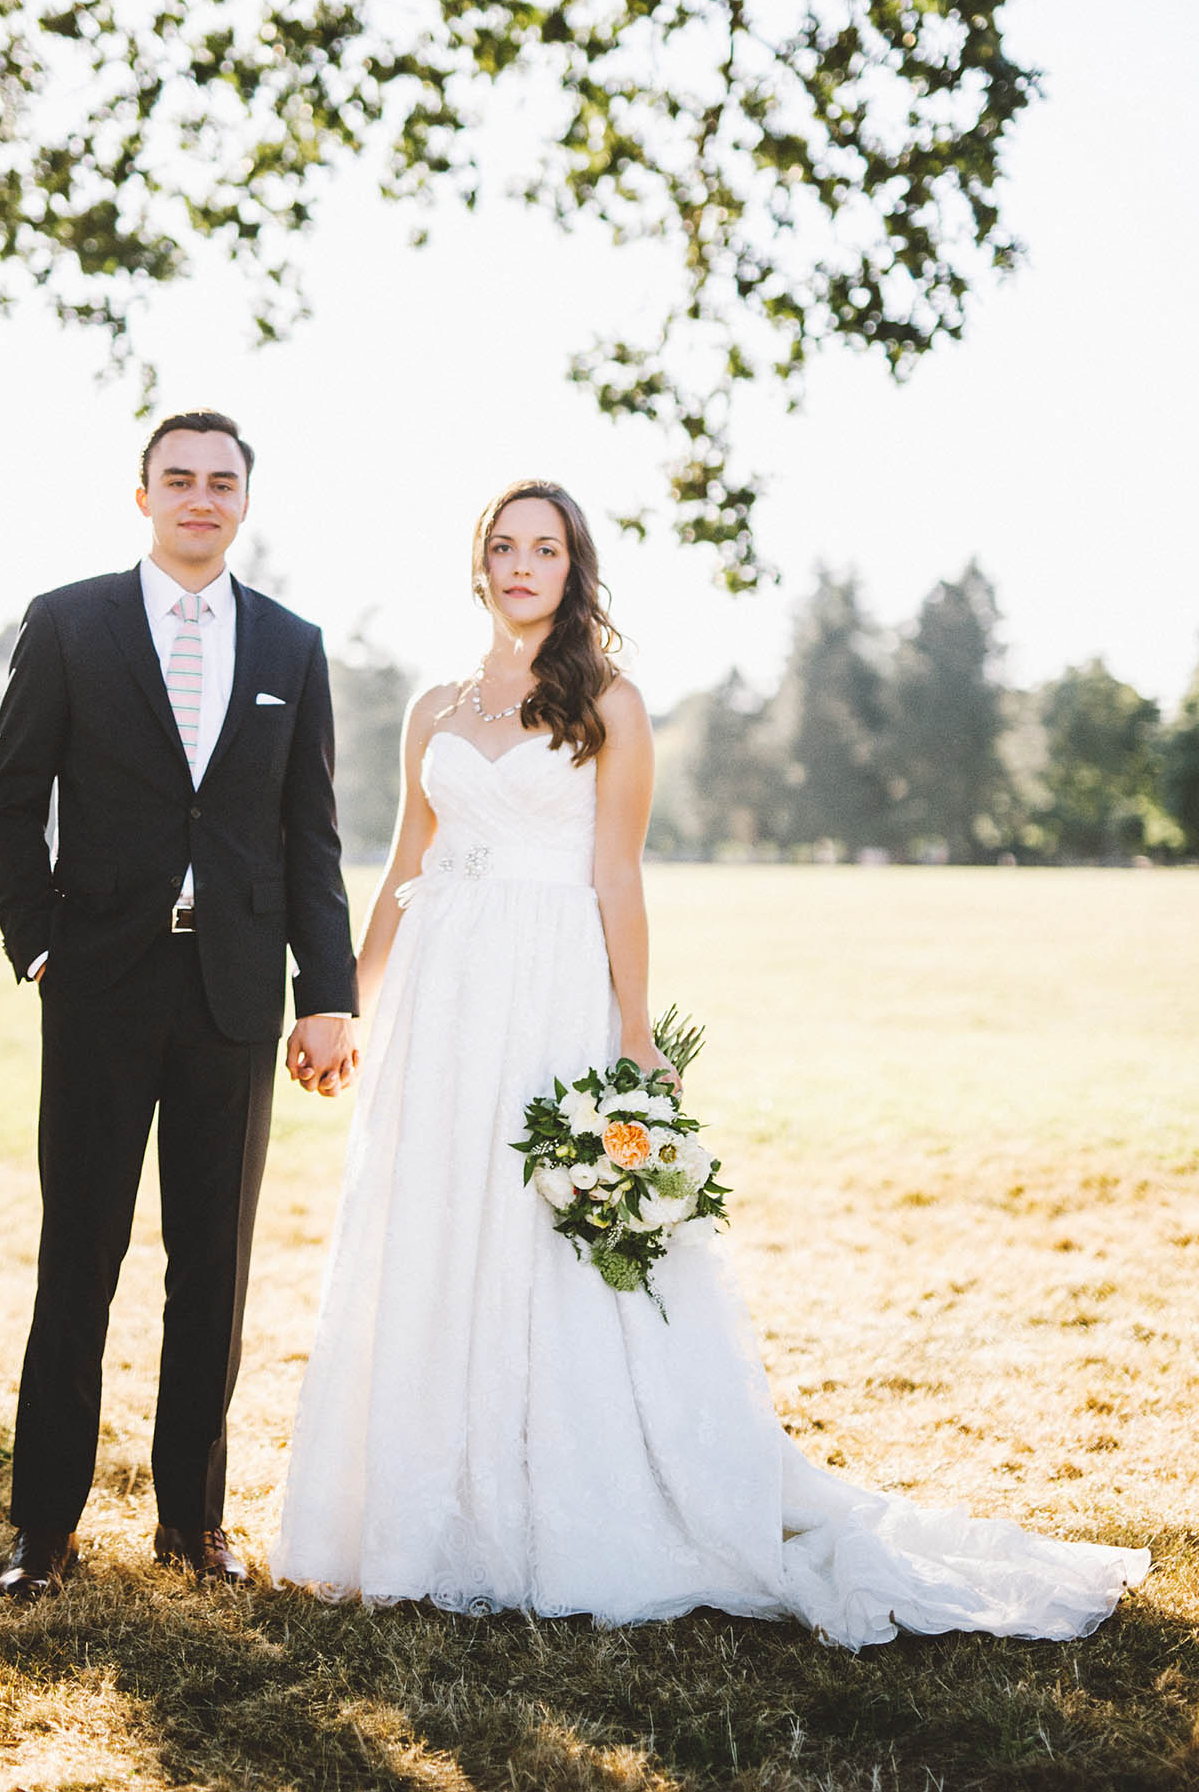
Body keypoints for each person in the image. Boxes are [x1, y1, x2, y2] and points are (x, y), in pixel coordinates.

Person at [271, 479, 1149, 1646]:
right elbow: (399, 870)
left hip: (547, 992)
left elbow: (617, 876)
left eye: (546, 547)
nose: (522, 563)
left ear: (572, 569)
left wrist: (633, 1035)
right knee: (436, 1226)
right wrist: (341, 1002)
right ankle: (430, 1512)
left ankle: (567, 1501)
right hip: (440, 999)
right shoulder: (431, 706)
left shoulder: (609, 706)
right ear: (475, 562)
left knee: (547, 1242)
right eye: (503, 545)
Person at [0, 408, 359, 1599]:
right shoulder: (70, 620)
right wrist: (38, 947)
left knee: (215, 1266)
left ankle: (192, 1526)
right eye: (179, 478)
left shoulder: (290, 645)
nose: (201, 497)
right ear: (140, 493)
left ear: (246, 499)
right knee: (77, 1258)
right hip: (98, 983)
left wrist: (327, 992)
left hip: (234, 993)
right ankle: (42, 1533)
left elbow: (311, 835)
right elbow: (9, 800)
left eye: (222, 481)